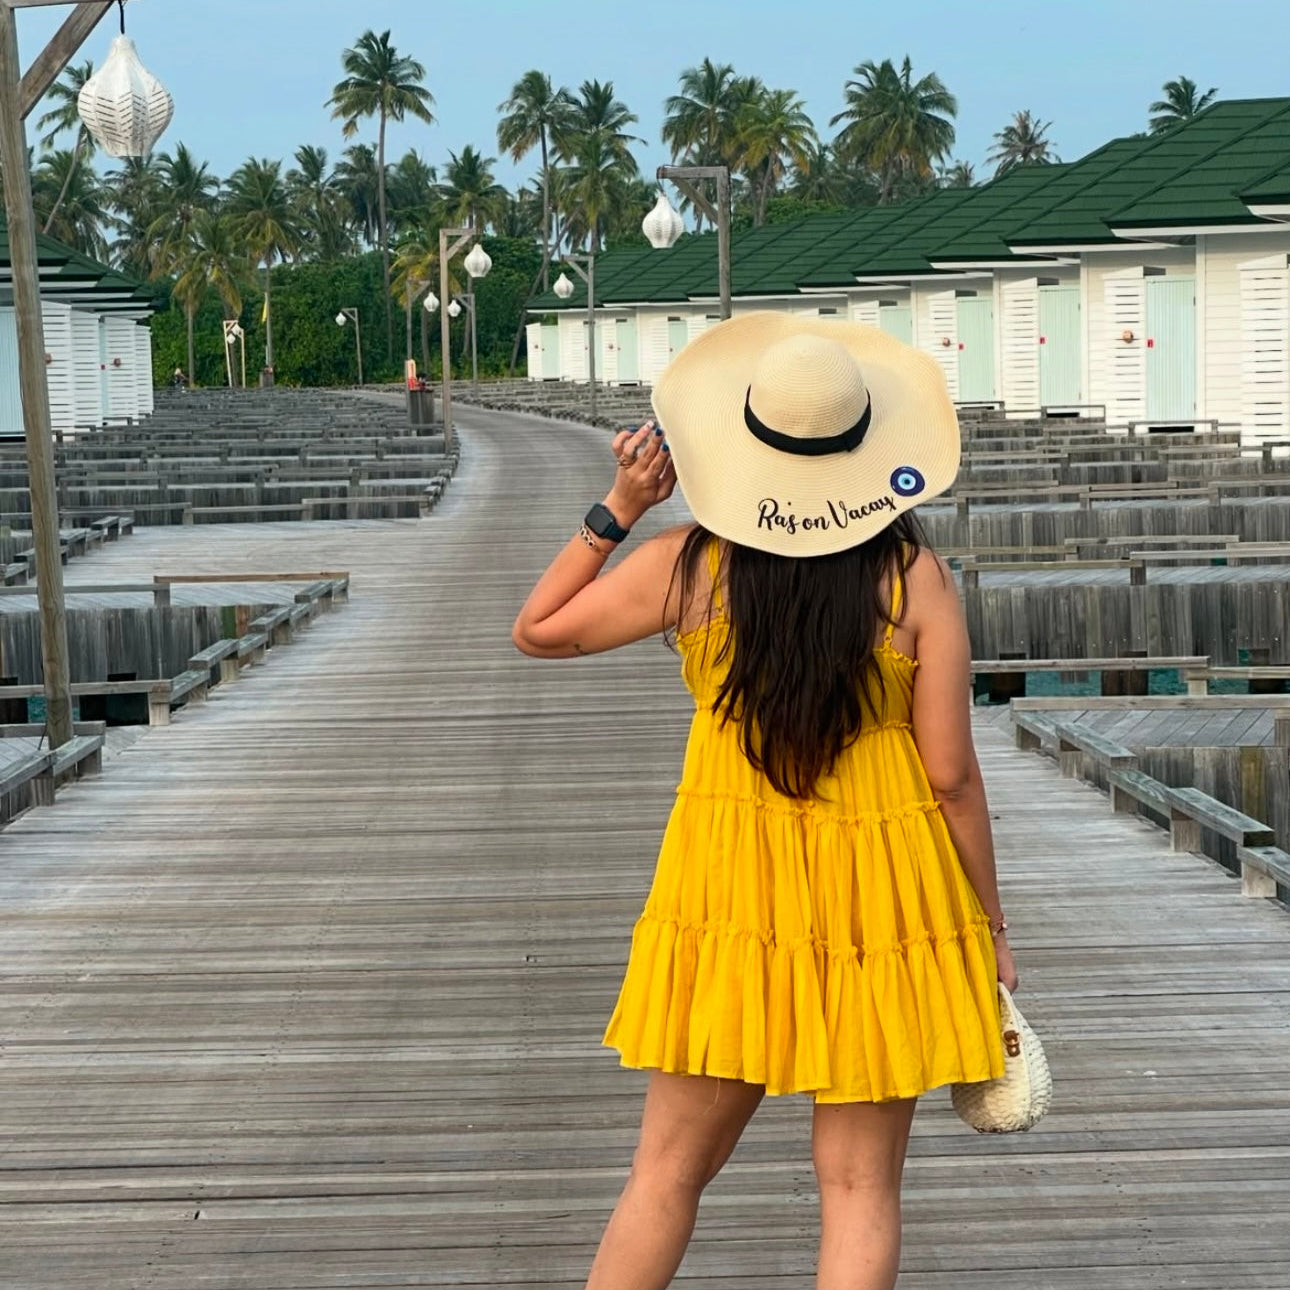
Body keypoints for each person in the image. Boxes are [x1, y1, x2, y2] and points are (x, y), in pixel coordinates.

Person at [513, 313, 1017, 1290]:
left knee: (665, 1173)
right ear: (869, 452)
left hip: (729, 893)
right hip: (885, 897)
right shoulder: (915, 580)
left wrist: (618, 504)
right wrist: (988, 924)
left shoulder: (688, 566)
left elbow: (539, 631)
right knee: (861, 1190)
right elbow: (952, 775)